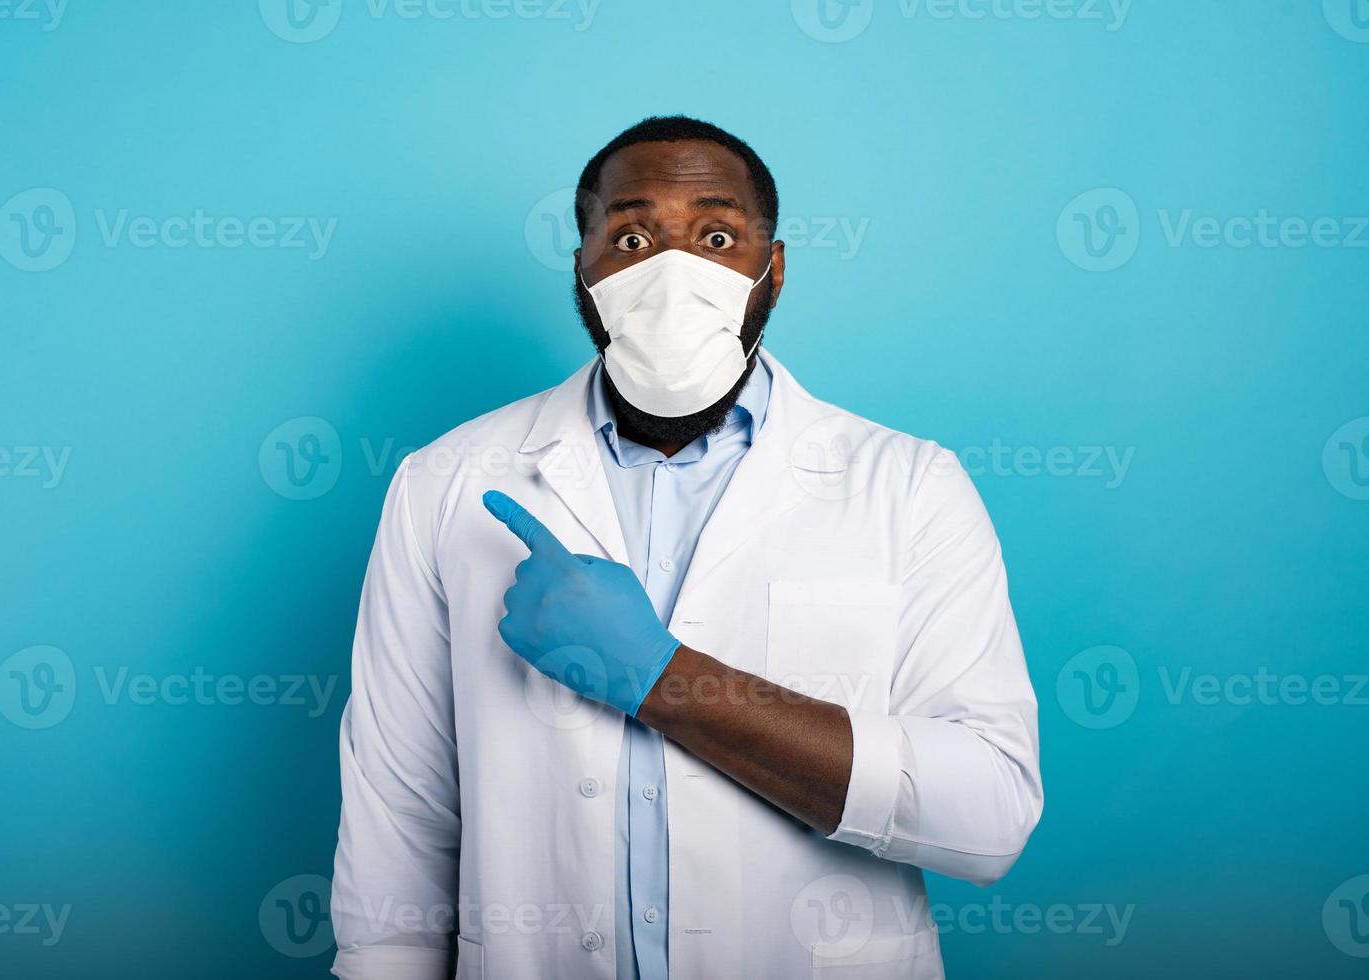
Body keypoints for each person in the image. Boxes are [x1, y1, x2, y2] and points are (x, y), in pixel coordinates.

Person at [330, 115, 1042, 980]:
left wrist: (661, 680)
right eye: (630, 236)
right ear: (582, 272)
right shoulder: (444, 481)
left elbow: (990, 815)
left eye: (716, 235)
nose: (673, 275)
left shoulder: (908, 485)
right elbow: (398, 823)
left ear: (770, 271)